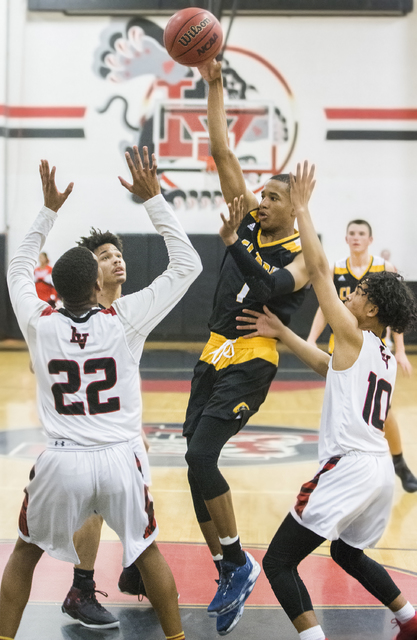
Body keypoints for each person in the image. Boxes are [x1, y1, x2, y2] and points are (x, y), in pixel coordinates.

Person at [0, 146, 202, 640]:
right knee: (147, 550)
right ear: (96, 279)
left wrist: (47, 210)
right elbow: (188, 264)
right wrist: (155, 199)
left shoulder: (38, 321)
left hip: (63, 459)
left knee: (25, 552)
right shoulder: (125, 320)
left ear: (55, 287)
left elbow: (18, 267)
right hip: (119, 458)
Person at [236, 161, 417, 640]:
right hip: (379, 471)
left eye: (356, 292)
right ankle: (409, 617)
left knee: (277, 563)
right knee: (346, 552)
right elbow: (327, 367)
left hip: (350, 467)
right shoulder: (371, 351)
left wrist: (303, 209)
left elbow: (316, 269)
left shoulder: (353, 334)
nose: (348, 295)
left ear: (372, 309)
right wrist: (285, 333)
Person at [182, 58, 310, 636]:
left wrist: (232, 241)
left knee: (203, 457)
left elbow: (269, 287)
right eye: (260, 194)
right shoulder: (252, 223)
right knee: (192, 467)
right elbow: (222, 153)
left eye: (273, 197)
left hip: (253, 359)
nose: (261, 199)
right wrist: (212, 88)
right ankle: (224, 567)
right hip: (213, 352)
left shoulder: (307, 253)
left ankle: (239, 561)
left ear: (293, 208)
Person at [61, 228, 150, 628]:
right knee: (95, 508)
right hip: (86, 431)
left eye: (119, 253)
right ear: (89, 272)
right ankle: (80, 589)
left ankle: (132, 569)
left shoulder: (132, 309)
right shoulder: (72, 313)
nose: (117, 259)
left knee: (142, 496)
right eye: (105, 255)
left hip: (124, 427)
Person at [306, 219, 417, 492]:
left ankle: (399, 462)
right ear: (346, 239)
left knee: (382, 411)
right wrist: (311, 337)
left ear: (370, 239)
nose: (356, 238)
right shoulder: (338, 268)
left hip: (376, 349)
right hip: (343, 349)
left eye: (361, 234)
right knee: (343, 409)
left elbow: (396, 311)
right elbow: (326, 308)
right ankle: (339, 462)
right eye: (352, 233)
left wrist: (400, 350)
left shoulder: (383, 268)